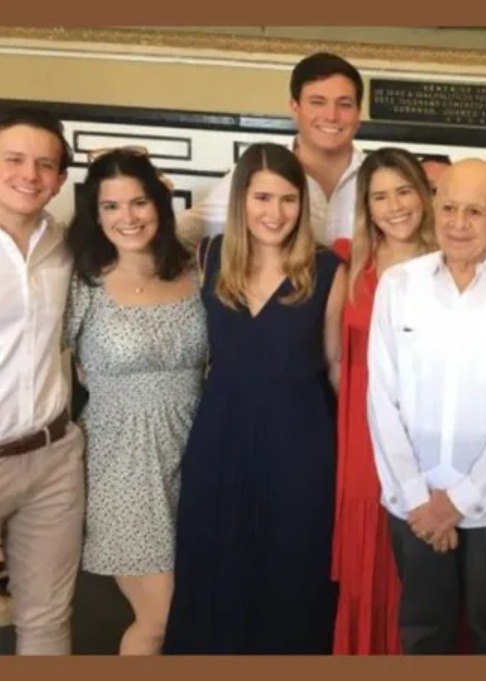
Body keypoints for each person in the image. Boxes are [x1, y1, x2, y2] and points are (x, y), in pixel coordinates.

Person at [162, 143, 347, 654]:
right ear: (241, 199)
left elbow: (334, 365)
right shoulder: (209, 256)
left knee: (294, 567)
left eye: (288, 199)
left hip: (301, 441)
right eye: (262, 198)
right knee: (215, 564)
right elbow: (143, 242)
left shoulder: (328, 269)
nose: (275, 213)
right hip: (221, 435)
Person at [368, 158, 486, 654]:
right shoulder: (398, 285)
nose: (458, 223)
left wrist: (457, 501)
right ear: (434, 207)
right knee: (423, 634)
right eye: (449, 207)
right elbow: (381, 397)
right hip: (413, 502)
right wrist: (418, 497)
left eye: (475, 211)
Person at [63, 148, 207, 655]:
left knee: (202, 607)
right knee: (161, 616)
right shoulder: (82, 283)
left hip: (197, 453)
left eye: (139, 202)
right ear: (95, 214)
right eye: (111, 206)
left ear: (159, 204)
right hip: (121, 465)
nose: (127, 217)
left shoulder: (197, 270)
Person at [330, 147, 437, 655]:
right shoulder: (349, 261)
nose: (394, 206)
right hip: (361, 432)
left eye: (404, 191)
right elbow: (334, 358)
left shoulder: (450, 264)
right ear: (366, 207)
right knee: (367, 558)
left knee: (421, 561)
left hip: (428, 435)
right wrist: (362, 413)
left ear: (423, 195)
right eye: (380, 197)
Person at [0, 106, 84, 655]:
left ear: (59, 180)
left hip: (53, 457)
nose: (29, 175)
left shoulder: (66, 243)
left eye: (44, 165)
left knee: (48, 621)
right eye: (13, 159)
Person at [177, 52, 365, 247]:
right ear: (295, 108)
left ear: (358, 112)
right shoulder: (261, 171)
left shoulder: (377, 177)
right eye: (317, 102)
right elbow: (182, 231)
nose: (331, 116)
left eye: (345, 105)